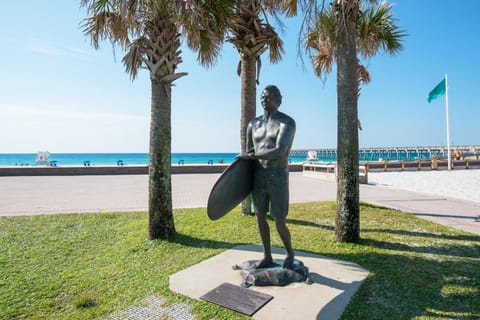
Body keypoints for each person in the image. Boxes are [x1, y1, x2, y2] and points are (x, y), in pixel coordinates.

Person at [240, 85, 296, 269]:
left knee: (279, 220)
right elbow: (249, 150)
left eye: (270, 96)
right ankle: (267, 256)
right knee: (260, 216)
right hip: (259, 176)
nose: (265, 99)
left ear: (279, 100)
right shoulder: (253, 124)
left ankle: (289, 253)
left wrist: (254, 155)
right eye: (263, 96)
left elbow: (280, 150)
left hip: (278, 175)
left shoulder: (287, 123)